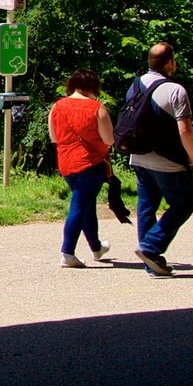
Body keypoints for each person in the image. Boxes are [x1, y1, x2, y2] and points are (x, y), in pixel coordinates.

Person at [122, 42, 193, 277]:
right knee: (183, 204)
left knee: (146, 207)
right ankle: (150, 248)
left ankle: (151, 264)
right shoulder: (175, 90)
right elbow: (185, 129)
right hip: (168, 162)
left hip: (139, 158)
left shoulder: (135, 86)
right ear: (169, 63)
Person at [49, 69, 115, 267]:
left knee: (86, 204)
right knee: (78, 206)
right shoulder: (97, 108)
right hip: (90, 163)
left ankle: (96, 247)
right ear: (93, 87)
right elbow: (109, 139)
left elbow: (54, 137)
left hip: (66, 163)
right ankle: (67, 252)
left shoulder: (57, 107)